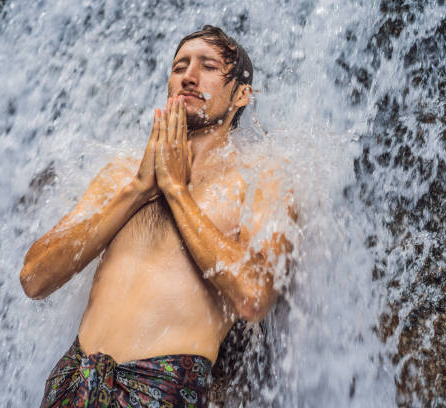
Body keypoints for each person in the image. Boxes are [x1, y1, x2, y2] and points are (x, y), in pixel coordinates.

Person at [20, 25, 295, 408]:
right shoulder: (120, 176)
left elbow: (254, 297)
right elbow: (33, 279)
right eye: (180, 65)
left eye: (209, 67)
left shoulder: (261, 180)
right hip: (72, 382)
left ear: (242, 94)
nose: (189, 75)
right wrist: (139, 190)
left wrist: (176, 192)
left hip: (163, 389)